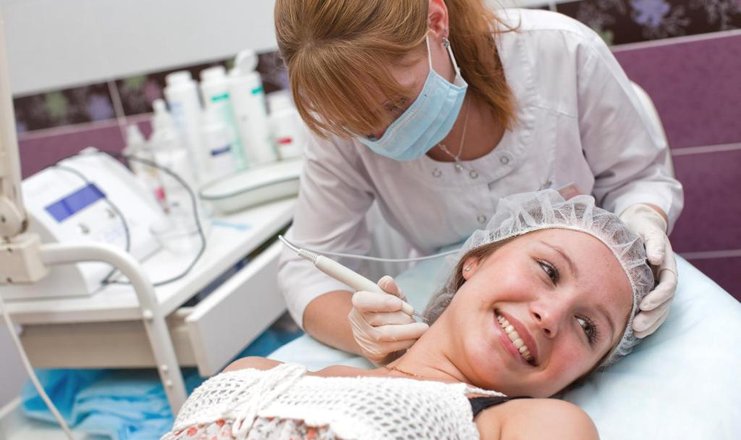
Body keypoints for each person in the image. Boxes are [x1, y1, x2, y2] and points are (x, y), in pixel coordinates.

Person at [276, 0, 682, 365]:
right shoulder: (337, 120)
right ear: (469, 267)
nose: (385, 134)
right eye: (361, 126)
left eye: (396, 104)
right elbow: (305, 268)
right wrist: (366, 335)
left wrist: (644, 217)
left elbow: (637, 178)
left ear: (436, 21)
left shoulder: (562, 52)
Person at [162, 191, 654, 439]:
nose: (551, 315)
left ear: (581, 374)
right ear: (474, 261)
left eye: (588, 328)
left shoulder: (540, 424)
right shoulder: (255, 373)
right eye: (548, 270)